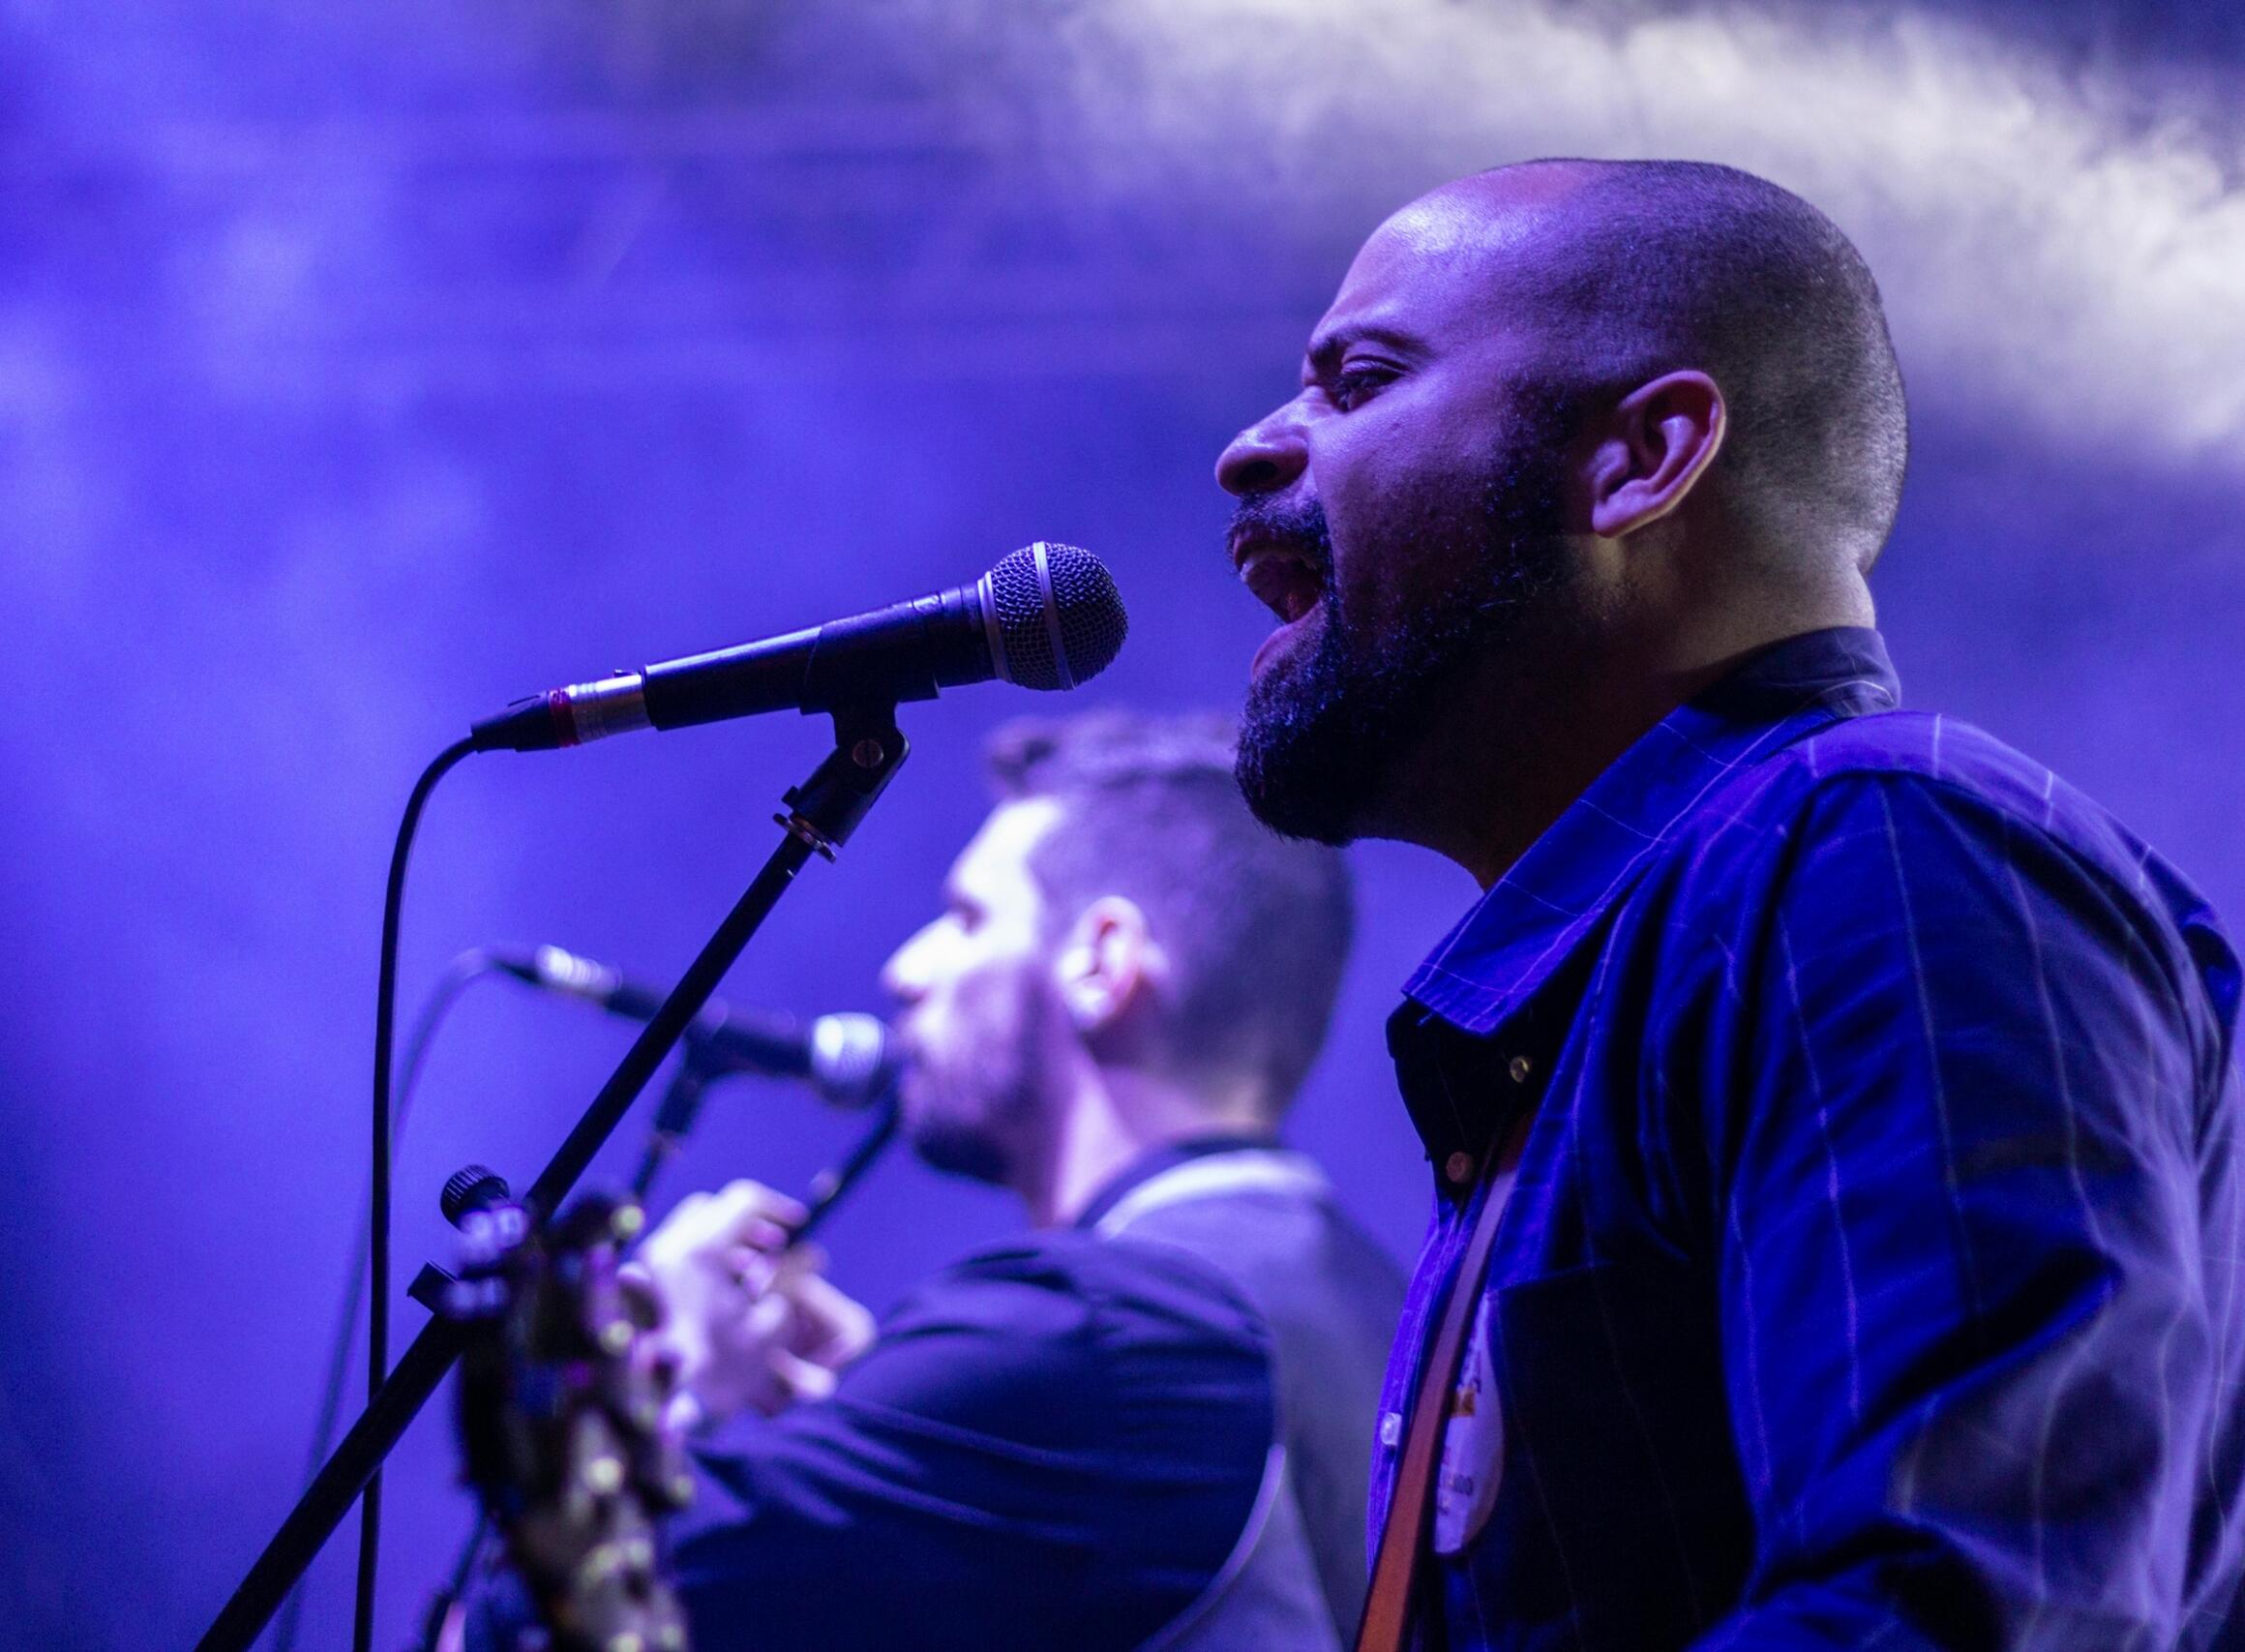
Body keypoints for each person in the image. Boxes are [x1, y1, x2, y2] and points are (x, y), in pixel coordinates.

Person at [1213, 155, 2245, 1648]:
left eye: (1359, 380)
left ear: (1643, 460)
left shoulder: (1881, 851)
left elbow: (1969, 1606)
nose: (1254, 448)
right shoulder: (1667, 950)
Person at [457, 709, 1406, 1652]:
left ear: (1102, 960)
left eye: (966, 919)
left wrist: (656, 1368)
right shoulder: (1392, 1309)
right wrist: (887, 1419)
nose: (905, 969)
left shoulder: (1091, 1331)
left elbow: (544, 1626)